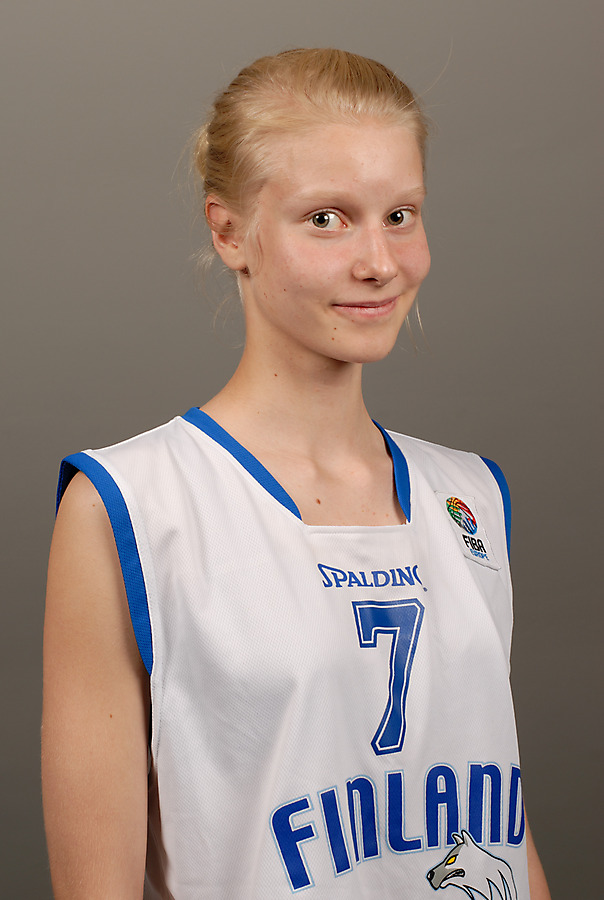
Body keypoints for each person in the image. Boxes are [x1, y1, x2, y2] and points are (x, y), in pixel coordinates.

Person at [42, 48, 551, 899]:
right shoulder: (132, 508)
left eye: (400, 214)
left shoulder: (470, 497)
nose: (379, 261)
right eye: (326, 219)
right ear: (230, 232)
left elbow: (499, 823)